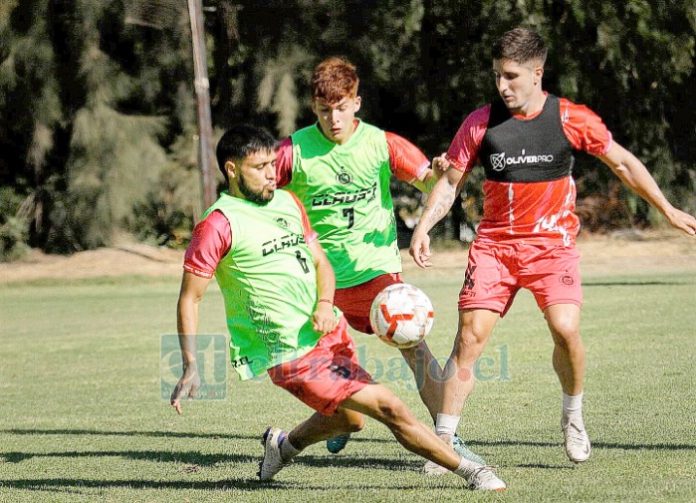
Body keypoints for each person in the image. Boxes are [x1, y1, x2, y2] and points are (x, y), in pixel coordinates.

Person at [409, 27, 696, 471]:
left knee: (565, 329)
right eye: (497, 77)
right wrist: (424, 226)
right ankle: (444, 441)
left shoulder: (570, 118)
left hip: (551, 248)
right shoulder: (481, 122)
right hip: (495, 249)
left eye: (511, 76)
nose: (502, 86)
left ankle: (572, 415)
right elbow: (450, 183)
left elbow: (621, 162)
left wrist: (668, 208)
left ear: (537, 72)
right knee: (469, 338)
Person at [169, 124, 506, 491]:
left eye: (272, 164)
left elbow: (320, 263)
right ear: (232, 170)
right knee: (389, 406)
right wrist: (189, 363)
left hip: (326, 335)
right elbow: (191, 297)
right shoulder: (218, 225)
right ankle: (473, 472)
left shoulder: (286, 202)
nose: (271, 174)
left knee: (350, 420)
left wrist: (326, 304)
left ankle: (281, 447)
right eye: (259, 167)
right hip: (289, 353)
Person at [274, 56, 482, 462]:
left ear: (357, 102)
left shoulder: (381, 143)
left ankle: (445, 440)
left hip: (376, 273)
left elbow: (430, 180)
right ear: (314, 107)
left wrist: (438, 170)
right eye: (323, 110)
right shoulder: (293, 151)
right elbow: (259, 191)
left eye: (341, 107)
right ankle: (341, 415)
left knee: (415, 349)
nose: (333, 118)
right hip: (320, 282)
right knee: (326, 367)